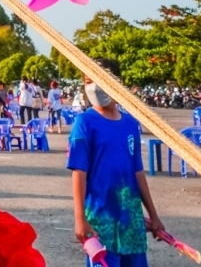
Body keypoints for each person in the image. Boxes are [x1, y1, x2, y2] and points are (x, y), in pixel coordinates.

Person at [68, 65, 164, 267]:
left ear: (116, 84)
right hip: (101, 221)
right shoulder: (84, 122)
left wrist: (154, 216)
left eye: (99, 80)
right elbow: (79, 173)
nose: (94, 87)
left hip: (131, 220)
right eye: (88, 82)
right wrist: (80, 219)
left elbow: (137, 172)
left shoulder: (130, 124)